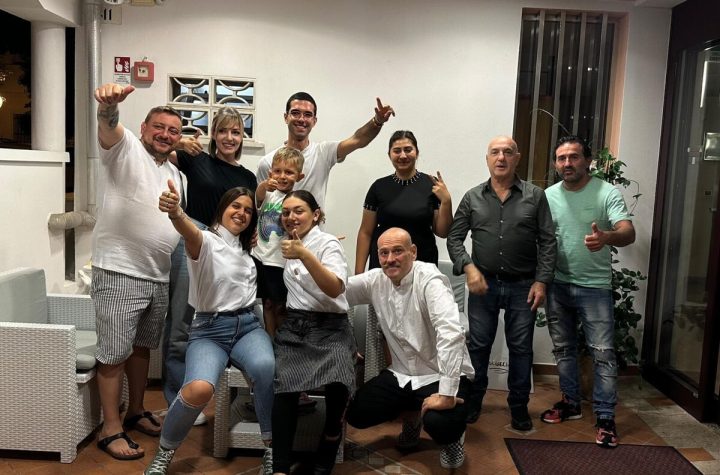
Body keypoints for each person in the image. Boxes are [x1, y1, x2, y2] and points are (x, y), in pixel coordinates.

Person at [144, 183, 275, 475]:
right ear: (222, 209)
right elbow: (188, 231)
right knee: (199, 389)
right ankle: (164, 453)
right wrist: (176, 213)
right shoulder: (205, 241)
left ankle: (271, 448)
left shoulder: (247, 248)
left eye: (248, 210)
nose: (241, 213)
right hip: (209, 331)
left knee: (266, 368)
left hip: (248, 326)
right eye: (235, 206)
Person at [91, 83, 184, 460]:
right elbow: (108, 127)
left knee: (143, 348)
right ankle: (110, 428)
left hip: (157, 274)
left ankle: (136, 410)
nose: (165, 134)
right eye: (158, 127)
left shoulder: (177, 174)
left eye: (173, 131)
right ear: (144, 128)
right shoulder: (126, 148)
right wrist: (108, 107)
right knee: (114, 353)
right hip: (119, 271)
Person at [447, 135, 556, 430]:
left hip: (524, 286)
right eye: (495, 152)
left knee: (520, 348)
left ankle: (519, 407)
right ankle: (473, 402)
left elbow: (548, 241)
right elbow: (454, 238)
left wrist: (542, 281)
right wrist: (468, 267)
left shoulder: (536, 196)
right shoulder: (472, 197)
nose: (501, 157)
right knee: (478, 346)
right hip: (484, 285)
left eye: (508, 152)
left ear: (517, 158)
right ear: (487, 159)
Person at [346, 228, 474, 469]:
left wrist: (447, 394)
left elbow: (450, 333)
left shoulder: (430, 279)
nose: (390, 259)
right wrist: (310, 257)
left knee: (441, 423)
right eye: (384, 253)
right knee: (357, 413)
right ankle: (413, 418)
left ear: (413, 252)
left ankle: (453, 440)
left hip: (439, 374)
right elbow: (335, 291)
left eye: (398, 251)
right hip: (402, 374)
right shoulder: (375, 280)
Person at [540, 136, 635, 449]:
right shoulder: (548, 196)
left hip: (594, 287)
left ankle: (605, 417)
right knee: (563, 349)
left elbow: (627, 232)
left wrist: (606, 236)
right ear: (556, 164)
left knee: (603, 353)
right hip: (557, 285)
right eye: (561, 158)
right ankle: (570, 403)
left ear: (587, 160)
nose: (567, 163)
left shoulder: (607, 192)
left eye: (574, 157)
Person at [163, 108, 257, 416]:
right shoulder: (196, 159)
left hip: (230, 250)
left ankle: (222, 398)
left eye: (236, 132)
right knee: (181, 323)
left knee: (228, 319)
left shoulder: (247, 177)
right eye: (223, 131)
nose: (229, 137)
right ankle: (177, 400)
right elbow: (151, 146)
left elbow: (248, 215)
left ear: (242, 138)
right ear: (213, 134)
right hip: (195, 238)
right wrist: (179, 143)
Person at [272, 190, 356, 474]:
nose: (291, 217)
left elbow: (335, 288)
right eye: (286, 212)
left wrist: (305, 255)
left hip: (331, 327)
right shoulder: (287, 243)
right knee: (285, 386)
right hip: (296, 327)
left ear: (316, 214)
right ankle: (280, 467)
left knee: (340, 380)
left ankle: (328, 445)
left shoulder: (327, 243)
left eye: (299, 211)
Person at [257, 92, 395, 210]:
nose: (301, 119)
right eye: (295, 113)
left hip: (314, 233)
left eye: (307, 115)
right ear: (286, 117)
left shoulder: (323, 152)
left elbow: (357, 140)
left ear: (314, 121)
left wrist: (377, 121)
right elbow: (260, 206)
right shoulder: (268, 162)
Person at [355, 130, 453, 274]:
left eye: (408, 150)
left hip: (422, 266)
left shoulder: (432, 185)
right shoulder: (378, 187)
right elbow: (365, 232)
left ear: (417, 153)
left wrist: (446, 201)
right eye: (397, 151)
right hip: (385, 266)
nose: (402, 155)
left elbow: (442, 232)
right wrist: (359, 274)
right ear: (389, 155)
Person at [252, 146, 305, 336]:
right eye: (278, 171)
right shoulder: (268, 194)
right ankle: (269, 339)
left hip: (281, 261)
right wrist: (264, 185)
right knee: (266, 303)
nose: (282, 176)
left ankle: (283, 340)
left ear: (299, 176)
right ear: (270, 173)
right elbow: (258, 195)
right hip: (260, 258)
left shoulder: (297, 200)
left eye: (289, 172)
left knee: (281, 305)